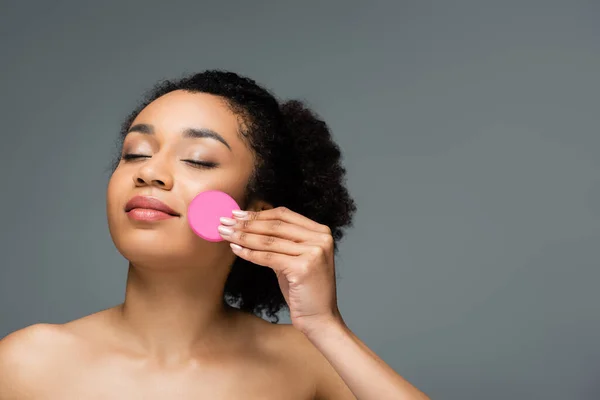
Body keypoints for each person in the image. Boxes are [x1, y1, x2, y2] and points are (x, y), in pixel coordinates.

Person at [0, 70, 429, 399]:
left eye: (198, 160)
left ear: (258, 214)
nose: (149, 172)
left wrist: (324, 325)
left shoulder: (308, 360)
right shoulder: (27, 362)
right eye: (135, 153)